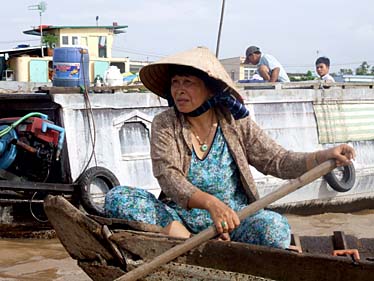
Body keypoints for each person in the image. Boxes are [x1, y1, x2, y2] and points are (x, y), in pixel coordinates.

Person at [104, 46, 355, 249]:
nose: (179, 90)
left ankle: (220, 247)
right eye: (175, 83)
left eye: (188, 82)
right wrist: (211, 204)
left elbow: (277, 160)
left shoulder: (234, 121)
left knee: (275, 227)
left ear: (210, 88)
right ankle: (193, 244)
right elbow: (169, 177)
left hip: (234, 221)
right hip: (180, 221)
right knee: (118, 198)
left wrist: (324, 156)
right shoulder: (165, 123)